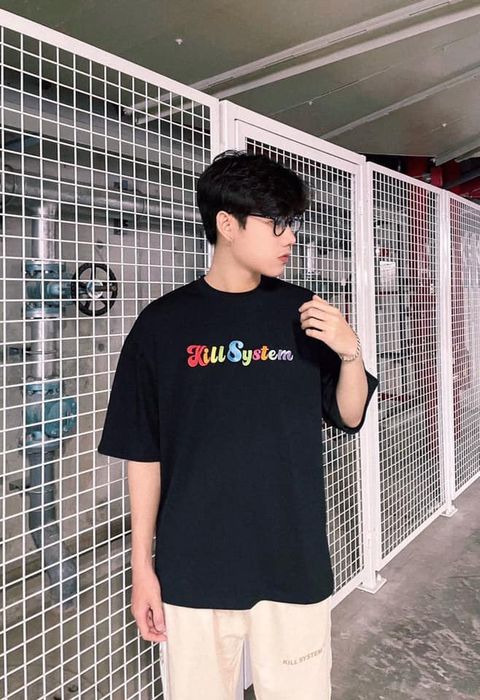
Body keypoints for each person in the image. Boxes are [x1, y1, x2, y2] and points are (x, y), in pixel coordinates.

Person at [97, 149, 379, 700]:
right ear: (228, 224)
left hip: (291, 559)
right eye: (277, 223)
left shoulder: (304, 311)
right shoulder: (161, 325)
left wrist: (350, 352)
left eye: (291, 224)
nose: (290, 238)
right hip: (193, 565)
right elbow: (143, 454)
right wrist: (142, 567)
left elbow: (349, 415)